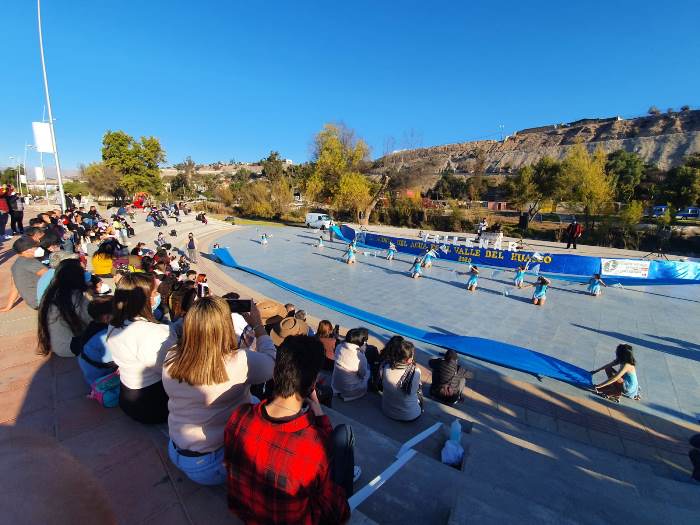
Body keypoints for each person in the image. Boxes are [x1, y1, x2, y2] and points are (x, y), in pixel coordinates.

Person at [224, 335, 357, 525]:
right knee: (345, 435)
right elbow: (338, 510)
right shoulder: (312, 448)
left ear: (276, 373)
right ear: (312, 385)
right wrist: (317, 409)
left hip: (248, 514)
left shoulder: (239, 417)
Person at [163, 297, 275, 485]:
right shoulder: (238, 361)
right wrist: (258, 325)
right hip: (210, 464)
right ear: (225, 326)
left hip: (177, 449)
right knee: (266, 415)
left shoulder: (172, 354)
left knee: (253, 400)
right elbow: (271, 363)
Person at [105, 273, 177, 424]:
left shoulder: (115, 323)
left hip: (127, 396)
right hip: (150, 404)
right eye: (154, 292)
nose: (157, 296)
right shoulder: (152, 332)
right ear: (144, 299)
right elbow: (171, 371)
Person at [37, 259, 92, 358]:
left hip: (58, 344)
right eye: (82, 271)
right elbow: (91, 319)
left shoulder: (51, 292)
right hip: (72, 347)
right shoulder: (74, 296)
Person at [71, 296, 117, 386]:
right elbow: (113, 361)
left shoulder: (93, 326)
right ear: (106, 318)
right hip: (100, 380)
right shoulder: (105, 337)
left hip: (89, 370)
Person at [381, 336, 423, 421]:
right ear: (409, 360)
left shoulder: (386, 366)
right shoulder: (415, 372)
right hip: (408, 415)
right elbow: (414, 392)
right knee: (419, 391)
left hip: (387, 410)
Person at [1, 237, 48, 312]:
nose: (38, 248)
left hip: (35, 302)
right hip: (45, 301)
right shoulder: (31, 262)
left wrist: (8, 306)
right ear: (25, 251)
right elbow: (53, 277)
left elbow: (15, 286)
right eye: (34, 247)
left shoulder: (16, 264)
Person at [331, 327, 369, 401]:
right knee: (368, 373)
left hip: (336, 384)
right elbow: (363, 374)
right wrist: (363, 354)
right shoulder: (360, 355)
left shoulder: (339, 346)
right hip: (350, 390)